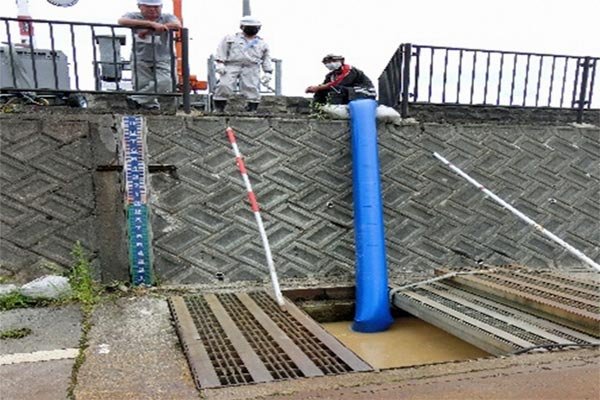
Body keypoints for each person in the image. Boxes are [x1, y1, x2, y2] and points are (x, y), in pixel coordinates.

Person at [118, 0, 181, 110]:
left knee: (167, 82)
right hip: (140, 57)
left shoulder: (166, 17)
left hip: (164, 58)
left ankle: (136, 99)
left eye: (156, 7)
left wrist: (152, 29)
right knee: (142, 84)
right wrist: (151, 24)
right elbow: (121, 21)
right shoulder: (134, 16)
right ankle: (150, 107)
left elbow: (177, 24)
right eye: (148, 7)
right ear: (140, 7)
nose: (153, 10)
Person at [212, 15, 273, 112]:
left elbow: (266, 57)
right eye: (249, 27)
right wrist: (220, 63)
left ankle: (252, 108)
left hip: (251, 66)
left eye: (255, 27)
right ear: (242, 27)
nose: (252, 29)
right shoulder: (231, 38)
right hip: (232, 64)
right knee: (224, 84)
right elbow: (221, 50)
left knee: (251, 87)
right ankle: (219, 107)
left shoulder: (261, 43)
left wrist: (268, 72)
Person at [306, 54, 376, 105]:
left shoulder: (350, 70)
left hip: (364, 93)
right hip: (348, 94)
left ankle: (335, 108)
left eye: (333, 61)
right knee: (321, 91)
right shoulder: (330, 76)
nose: (331, 63)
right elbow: (324, 86)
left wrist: (318, 87)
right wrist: (317, 89)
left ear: (341, 61)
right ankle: (317, 109)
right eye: (327, 62)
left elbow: (340, 83)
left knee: (337, 89)